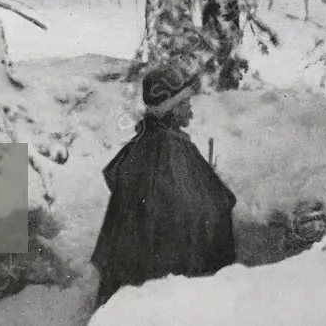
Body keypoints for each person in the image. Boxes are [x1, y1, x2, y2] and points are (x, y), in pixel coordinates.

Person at [90, 64, 237, 309]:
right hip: (164, 274)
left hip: (131, 277)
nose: (190, 108)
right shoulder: (171, 149)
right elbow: (198, 209)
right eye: (184, 102)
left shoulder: (143, 143)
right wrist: (210, 190)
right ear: (170, 108)